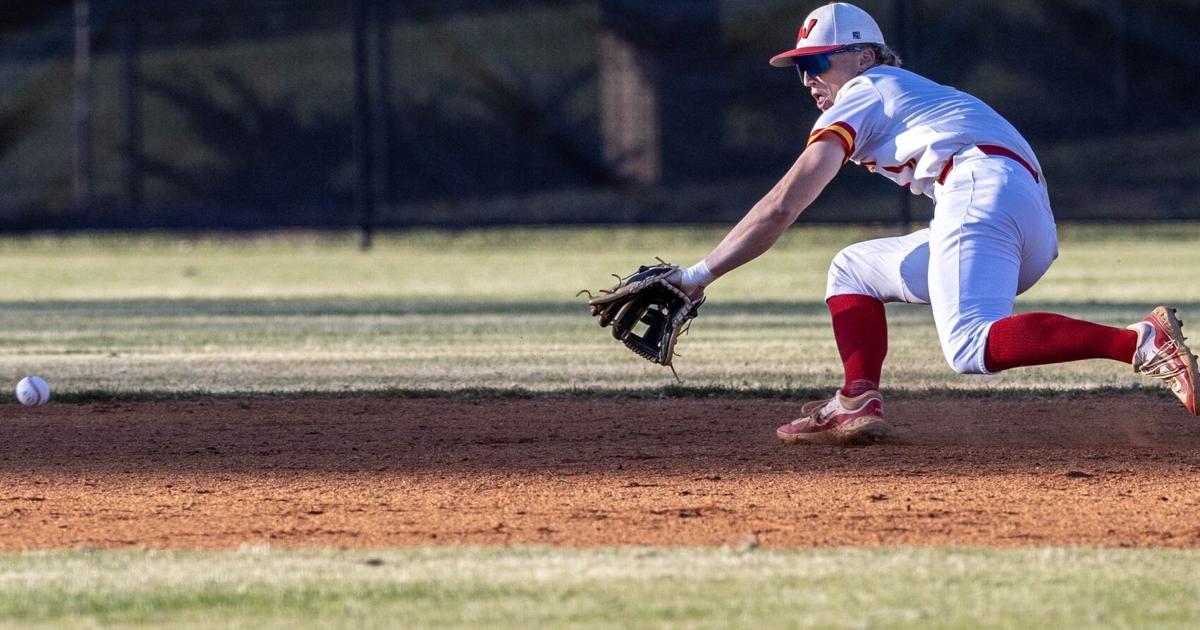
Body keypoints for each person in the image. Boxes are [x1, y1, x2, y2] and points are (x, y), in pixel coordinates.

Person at [668, 2, 1198, 444]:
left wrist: (697, 276)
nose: (808, 79)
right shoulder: (899, 90)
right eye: (801, 68)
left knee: (968, 346)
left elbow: (785, 203)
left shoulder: (865, 89)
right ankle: (857, 399)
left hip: (980, 189)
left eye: (819, 61)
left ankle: (1140, 342)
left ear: (863, 55)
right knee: (852, 269)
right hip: (1017, 210)